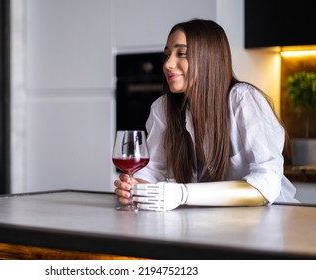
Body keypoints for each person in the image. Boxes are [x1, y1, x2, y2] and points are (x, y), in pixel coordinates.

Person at [114, 19, 298, 211]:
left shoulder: (243, 99)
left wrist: (182, 193)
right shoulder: (163, 109)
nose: (168, 64)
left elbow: (266, 184)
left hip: (273, 217)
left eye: (181, 54)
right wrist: (134, 189)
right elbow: (153, 171)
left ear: (208, 58)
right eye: (167, 54)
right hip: (208, 221)